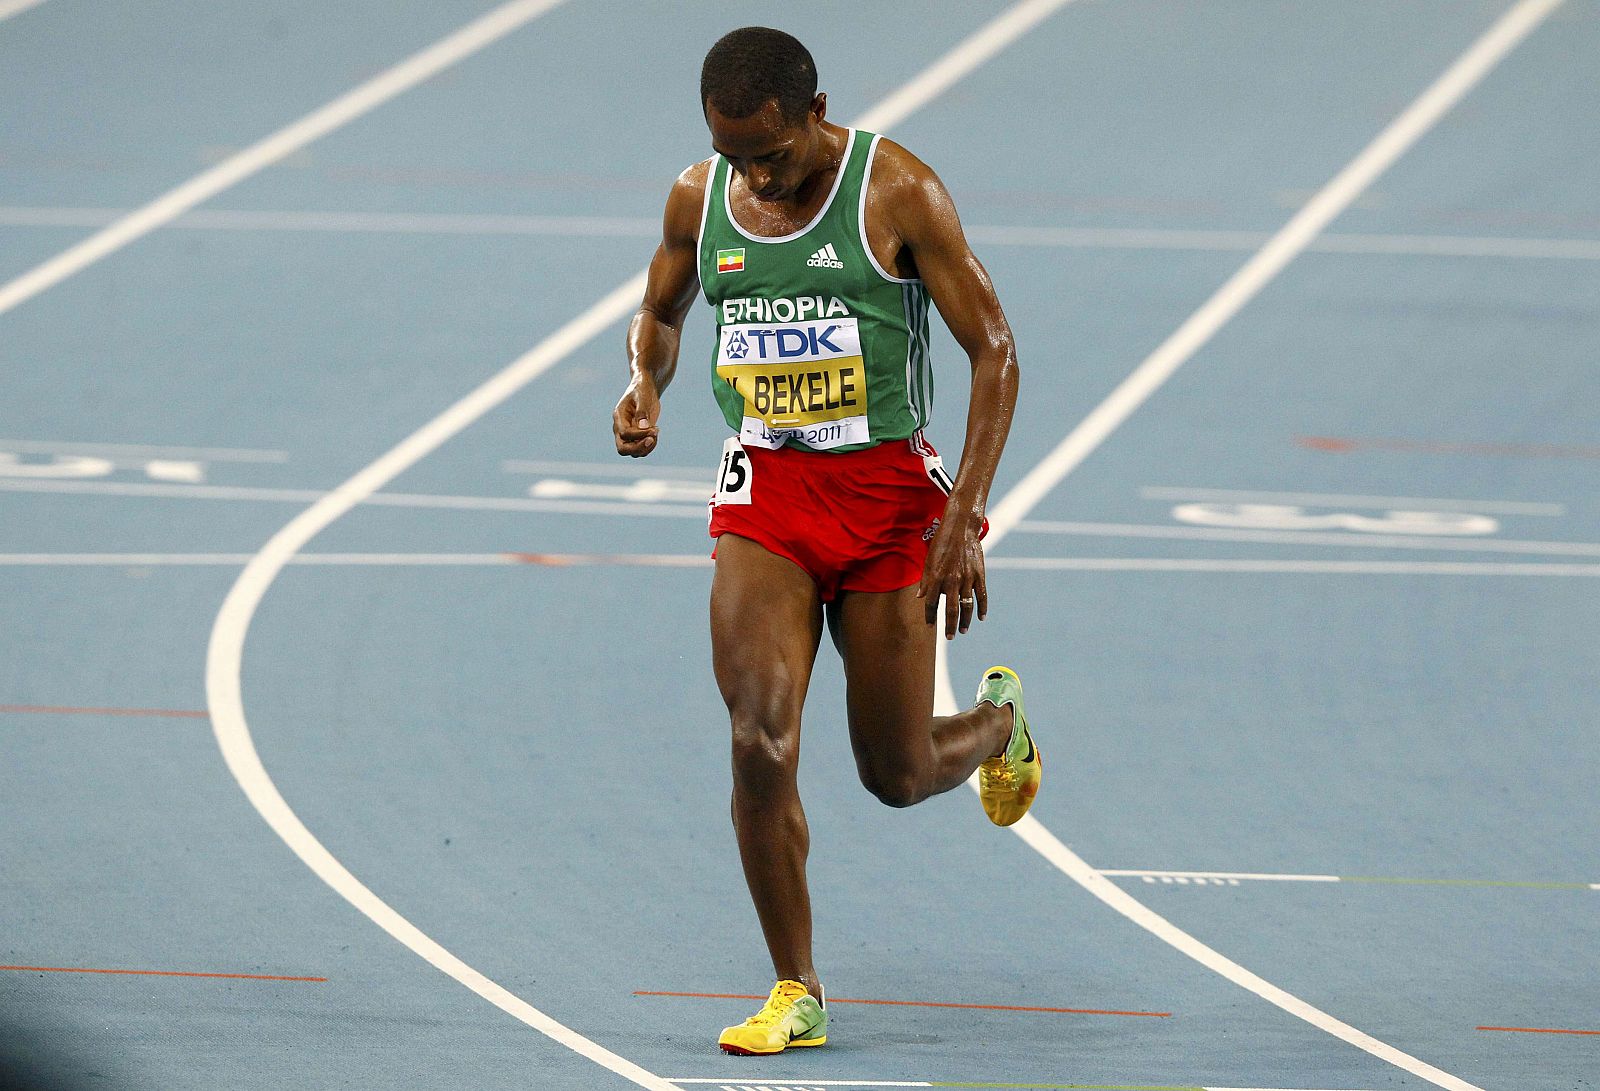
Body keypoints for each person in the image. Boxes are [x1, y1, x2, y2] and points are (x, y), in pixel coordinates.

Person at [613, 26, 1040, 1056]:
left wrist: (963, 514)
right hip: (769, 494)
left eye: (771, 151)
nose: (755, 172)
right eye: (734, 156)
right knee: (759, 737)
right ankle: (794, 986)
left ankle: (995, 725)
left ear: (815, 113)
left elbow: (994, 349)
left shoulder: (897, 190)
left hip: (891, 499)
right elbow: (660, 311)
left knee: (892, 772)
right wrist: (644, 380)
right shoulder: (697, 199)